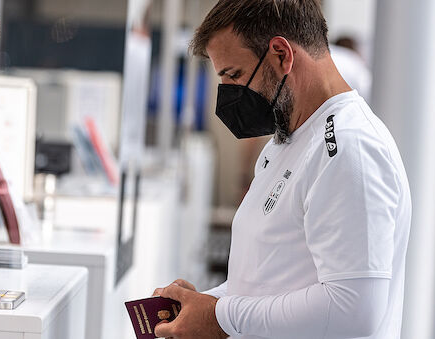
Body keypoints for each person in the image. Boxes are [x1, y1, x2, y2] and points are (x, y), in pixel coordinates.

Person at [152, 1, 411, 338]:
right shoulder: (287, 140)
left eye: (234, 74)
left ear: (281, 55)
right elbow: (270, 277)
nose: (229, 93)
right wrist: (203, 305)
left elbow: (354, 309)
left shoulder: (349, 148)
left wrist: (221, 315)